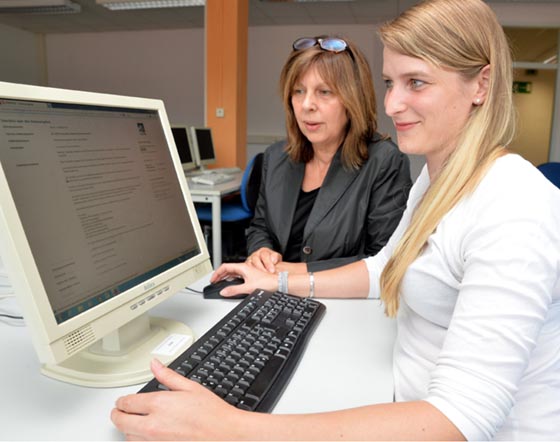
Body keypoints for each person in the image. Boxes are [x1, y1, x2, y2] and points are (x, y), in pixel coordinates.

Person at [111, 0, 560, 439]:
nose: (394, 104)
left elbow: (462, 419)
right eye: (390, 82)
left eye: (417, 83)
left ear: (481, 85)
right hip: (397, 395)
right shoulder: (435, 180)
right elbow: (385, 267)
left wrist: (230, 427)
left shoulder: (514, 205)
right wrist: (276, 280)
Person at [245, 36, 411, 274]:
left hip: (341, 303)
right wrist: (260, 251)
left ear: (353, 99)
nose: (307, 105)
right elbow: (260, 226)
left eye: (324, 92)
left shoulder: (384, 162)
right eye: (298, 91)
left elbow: (384, 260)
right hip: (273, 296)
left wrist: (290, 273)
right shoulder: (275, 157)